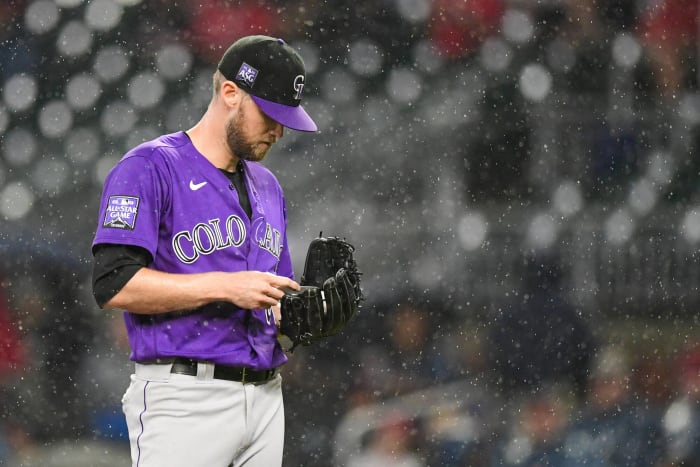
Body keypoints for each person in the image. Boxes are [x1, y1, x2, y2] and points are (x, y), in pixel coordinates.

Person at [90, 35, 317, 467]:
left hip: (267, 396)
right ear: (231, 93)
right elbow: (112, 283)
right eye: (270, 113)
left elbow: (270, 303)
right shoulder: (149, 167)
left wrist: (306, 315)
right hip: (185, 398)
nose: (279, 129)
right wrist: (225, 287)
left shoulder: (269, 187)